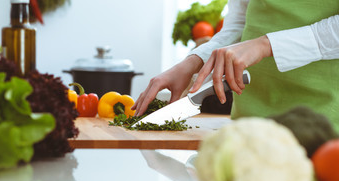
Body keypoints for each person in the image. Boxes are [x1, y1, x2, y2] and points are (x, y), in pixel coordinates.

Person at [132, 0, 339, 132]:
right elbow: (240, 22)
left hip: (321, 123)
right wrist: (193, 61)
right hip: (247, 121)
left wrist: (265, 45)